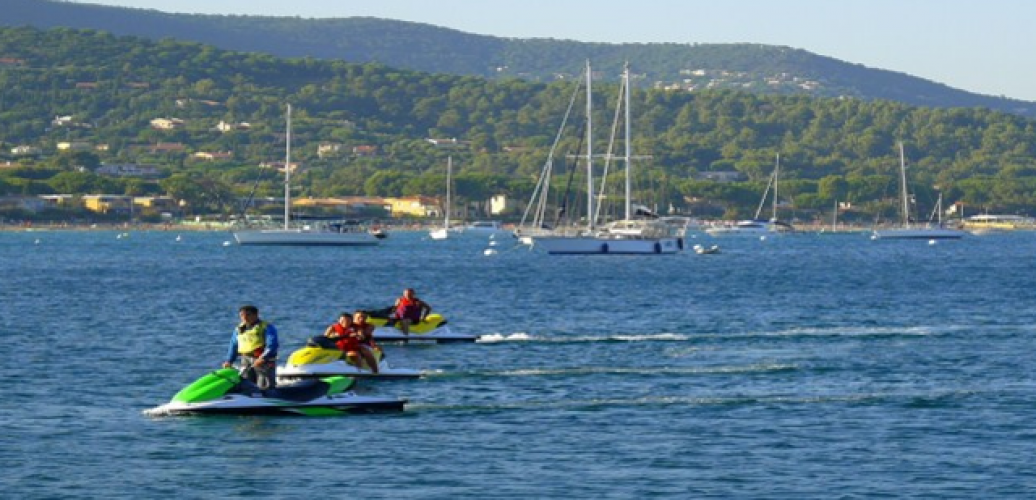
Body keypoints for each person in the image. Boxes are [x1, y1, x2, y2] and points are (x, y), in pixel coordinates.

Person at [223, 304, 280, 390]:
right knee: (246, 383)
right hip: (245, 360)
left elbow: (272, 344)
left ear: (256, 315)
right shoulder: (238, 329)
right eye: (242, 315)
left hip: (263, 361)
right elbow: (233, 345)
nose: (244, 317)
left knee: (265, 385)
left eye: (248, 315)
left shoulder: (266, 327)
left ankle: (269, 400)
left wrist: (263, 358)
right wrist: (229, 361)